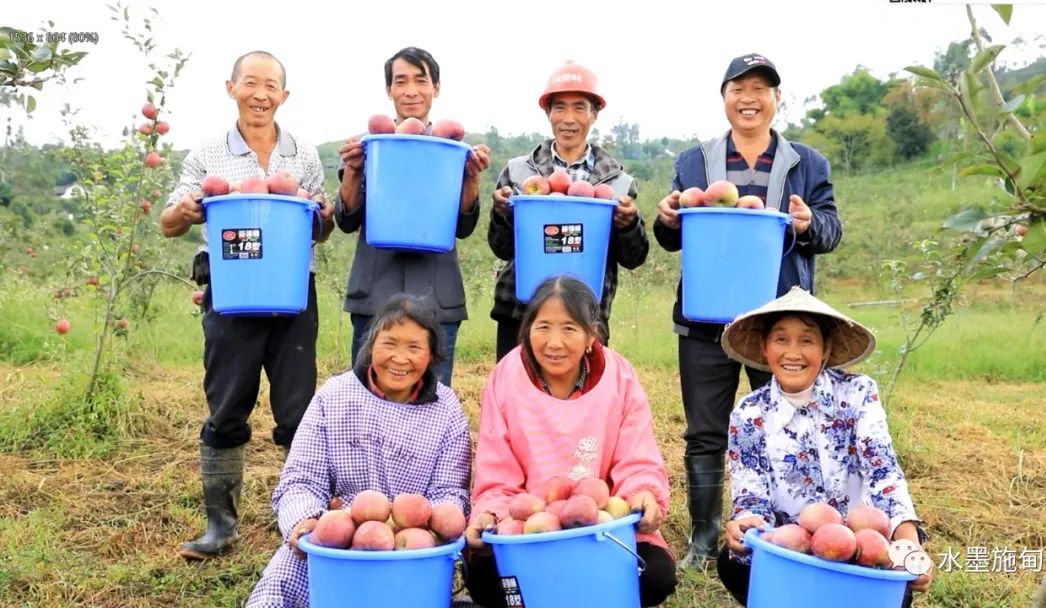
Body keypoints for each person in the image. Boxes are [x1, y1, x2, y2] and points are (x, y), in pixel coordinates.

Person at [652, 52, 842, 567]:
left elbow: (831, 231)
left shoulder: (807, 164)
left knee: (785, 424)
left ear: (777, 99)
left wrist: (806, 224)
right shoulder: (696, 162)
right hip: (705, 321)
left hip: (781, 324)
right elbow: (671, 237)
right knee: (705, 431)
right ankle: (703, 536)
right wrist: (668, 217)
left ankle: (784, 531)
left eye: (761, 89)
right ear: (724, 99)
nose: (749, 98)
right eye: (739, 88)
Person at [160, 50, 336, 561]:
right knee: (227, 404)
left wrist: (321, 213)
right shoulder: (208, 154)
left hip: (291, 295)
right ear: (231, 87)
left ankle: (302, 522)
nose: (261, 94)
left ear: (285, 95)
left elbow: (320, 229)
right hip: (231, 296)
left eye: (271, 86)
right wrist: (188, 209)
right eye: (251, 83)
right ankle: (220, 527)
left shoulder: (303, 154)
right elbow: (169, 222)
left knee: (298, 412)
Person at [245, 294, 473, 608]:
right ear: (370, 345)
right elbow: (301, 480)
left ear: (433, 355)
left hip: (415, 545)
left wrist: (425, 526)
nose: (400, 358)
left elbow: (451, 491)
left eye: (414, 348)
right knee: (280, 588)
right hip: (335, 537)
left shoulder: (446, 409)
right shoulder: (335, 396)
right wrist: (305, 522)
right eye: (389, 344)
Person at [463, 276, 678, 608]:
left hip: (602, 529)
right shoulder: (505, 378)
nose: (554, 343)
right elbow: (497, 473)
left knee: (654, 576)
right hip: (527, 530)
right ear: (526, 329)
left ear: (591, 334)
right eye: (543, 327)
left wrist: (643, 494)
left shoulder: (618, 376)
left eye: (569, 328)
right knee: (484, 579)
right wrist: (491, 513)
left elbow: (637, 458)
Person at [716, 286, 932, 606]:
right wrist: (746, 524)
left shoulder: (857, 394)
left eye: (807, 340)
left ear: (825, 349)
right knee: (731, 564)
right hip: (787, 550)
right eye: (781, 339)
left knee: (895, 587)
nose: (793, 353)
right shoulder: (749, 413)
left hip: (855, 547)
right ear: (764, 348)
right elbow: (751, 494)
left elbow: (883, 470)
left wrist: (909, 544)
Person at [335, 46, 491, 385]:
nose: (410, 90)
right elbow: (346, 220)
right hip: (374, 292)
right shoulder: (369, 146)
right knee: (367, 394)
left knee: (432, 396)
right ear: (389, 90)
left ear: (436, 88)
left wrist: (472, 179)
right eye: (400, 81)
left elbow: (463, 227)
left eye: (421, 80)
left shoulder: (451, 150)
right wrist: (353, 171)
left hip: (438, 295)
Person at [488, 61, 648, 361]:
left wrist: (628, 224)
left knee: (581, 403)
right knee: (519, 399)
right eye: (559, 108)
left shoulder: (617, 182)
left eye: (579, 108)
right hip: (521, 312)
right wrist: (502, 213)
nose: (568, 119)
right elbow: (501, 247)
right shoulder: (519, 171)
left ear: (594, 113)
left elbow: (633, 258)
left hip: (585, 314)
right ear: (547, 112)